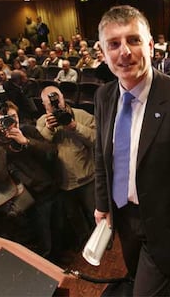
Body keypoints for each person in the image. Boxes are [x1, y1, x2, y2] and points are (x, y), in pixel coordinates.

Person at [94, 5, 170, 296]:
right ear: (103, 51)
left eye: (133, 40)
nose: (124, 52)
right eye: (114, 44)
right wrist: (102, 204)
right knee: (138, 275)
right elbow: (101, 156)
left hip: (165, 223)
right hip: (123, 217)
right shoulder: (103, 96)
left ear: (150, 45)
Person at [0, 100, 59, 257]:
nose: (11, 122)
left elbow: (52, 153)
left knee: (57, 227)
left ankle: (59, 254)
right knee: (42, 237)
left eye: (13, 117)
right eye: (4, 119)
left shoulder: (27, 130)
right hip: (27, 198)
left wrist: (27, 142)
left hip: (50, 188)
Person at [36, 86, 96, 250]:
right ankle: (85, 245)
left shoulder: (82, 115)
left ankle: (105, 245)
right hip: (62, 182)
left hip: (87, 178)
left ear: (63, 98)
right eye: (50, 104)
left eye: (58, 100)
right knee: (74, 218)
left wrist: (74, 126)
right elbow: (38, 149)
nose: (55, 106)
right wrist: (49, 130)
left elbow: (97, 140)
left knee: (95, 214)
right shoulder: (42, 122)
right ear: (44, 105)